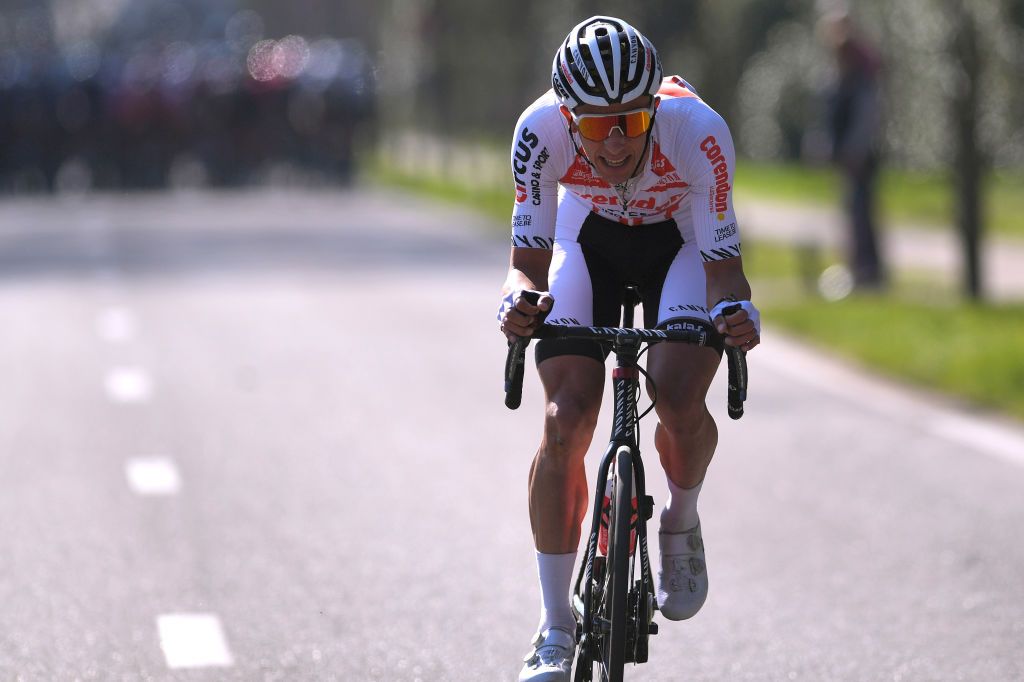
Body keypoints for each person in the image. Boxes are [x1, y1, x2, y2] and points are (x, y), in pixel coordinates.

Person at [497, 16, 760, 681]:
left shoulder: (699, 131)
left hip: (680, 245)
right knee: (564, 423)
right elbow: (528, 260)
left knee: (675, 393)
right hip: (588, 245)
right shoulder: (538, 131)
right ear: (566, 117)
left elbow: (725, 268)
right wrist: (518, 300)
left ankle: (681, 518)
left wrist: (736, 311)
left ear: (653, 109)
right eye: (593, 128)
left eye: (630, 124)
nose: (613, 146)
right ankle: (556, 626)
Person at [820, 10, 886, 289]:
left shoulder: (859, 69)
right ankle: (860, 269)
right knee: (853, 213)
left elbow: (866, 113)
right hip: (849, 156)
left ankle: (867, 273)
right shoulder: (845, 67)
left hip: (859, 157)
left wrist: (853, 148)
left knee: (860, 215)